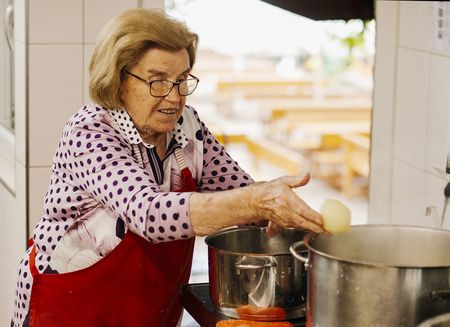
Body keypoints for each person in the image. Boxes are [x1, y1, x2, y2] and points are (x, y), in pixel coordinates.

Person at [12, 8, 325, 327]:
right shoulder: (90, 132)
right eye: (157, 82)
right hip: (70, 309)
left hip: (148, 311)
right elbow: (148, 212)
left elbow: (239, 193)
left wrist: (299, 220)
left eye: (181, 80)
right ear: (119, 80)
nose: (174, 98)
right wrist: (258, 201)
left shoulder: (187, 126)